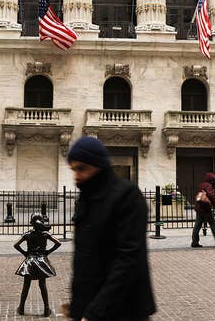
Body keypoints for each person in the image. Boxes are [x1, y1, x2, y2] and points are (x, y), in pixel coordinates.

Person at [67, 136, 156, 321]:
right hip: (90, 305)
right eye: (73, 169)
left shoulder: (127, 195)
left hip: (124, 308)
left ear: (98, 165)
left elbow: (128, 258)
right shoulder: (85, 198)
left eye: (82, 168)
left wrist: (94, 313)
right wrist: (78, 306)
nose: (76, 176)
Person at [14, 212, 61, 317]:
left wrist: (25, 253)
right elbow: (58, 243)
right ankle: (46, 309)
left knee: (26, 285)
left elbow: (16, 245)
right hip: (41, 260)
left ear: (31, 223)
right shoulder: (45, 234)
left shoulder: (27, 234)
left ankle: (21, 307)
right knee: (42, 285)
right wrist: (48, 252)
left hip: (30, 260)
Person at [191, 173, 215, 248]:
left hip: (199, 207)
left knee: (197, 225)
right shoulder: (208, 186)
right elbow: (211, 195)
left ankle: (194, 242)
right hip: (206, 208)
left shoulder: (202, 184)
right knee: (213, 225)